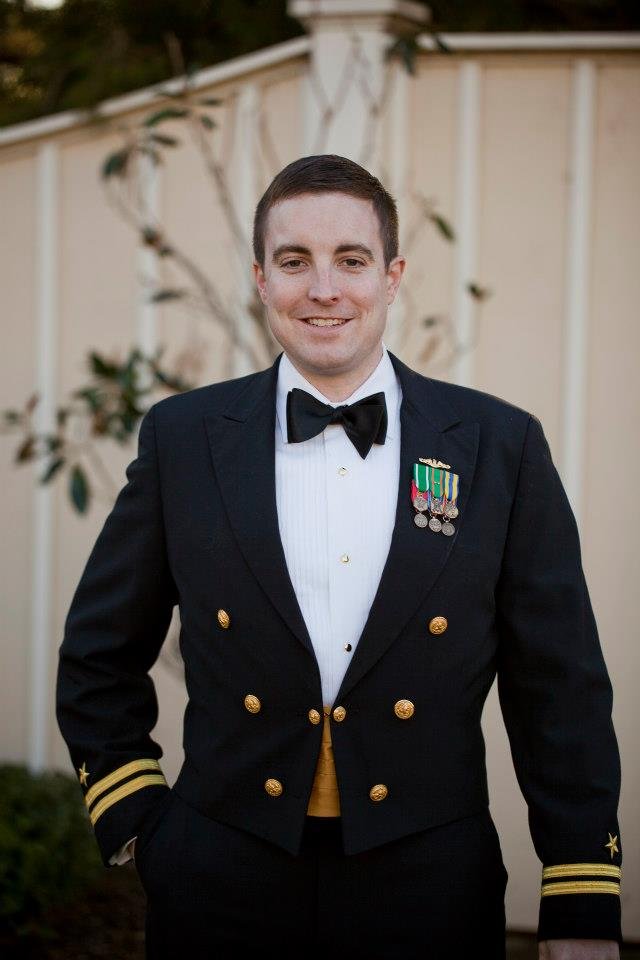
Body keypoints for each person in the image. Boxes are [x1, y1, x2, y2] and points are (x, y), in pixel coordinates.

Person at [56, 154, 622, 959]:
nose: (324, 289)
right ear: (260, 278)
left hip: (429, 880)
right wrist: (143, 828)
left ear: (392, 277)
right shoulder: (184, 439)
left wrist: (581, 897)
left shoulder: (500, 446)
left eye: (350, 261)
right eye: (295, 262)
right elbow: (97, 655)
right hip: (221, 876)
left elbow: (558, 687)